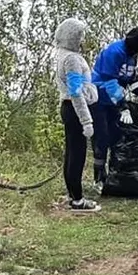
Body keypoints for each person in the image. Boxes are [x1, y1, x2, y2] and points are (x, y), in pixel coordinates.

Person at [90, 27, 138, 186]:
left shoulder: (131, 57)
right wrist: (123, 106)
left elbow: (131, 78)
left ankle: (116, 176)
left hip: (114, 101)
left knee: (116, 136)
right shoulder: (114, 53)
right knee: (102, 138)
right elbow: (109, 82)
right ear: (136, 45)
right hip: (99, 100)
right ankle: (99, 178)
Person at [53, 18, 101, 211]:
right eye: (80, 36)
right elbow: (75, 91)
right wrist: (86, 120)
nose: (82, 40)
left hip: (67, 108)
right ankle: (78, 200)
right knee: (77, 155)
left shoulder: (62, 54)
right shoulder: (72, 59)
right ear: (72, 37)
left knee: (71, 153)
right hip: (74, 109)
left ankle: (72, 194)